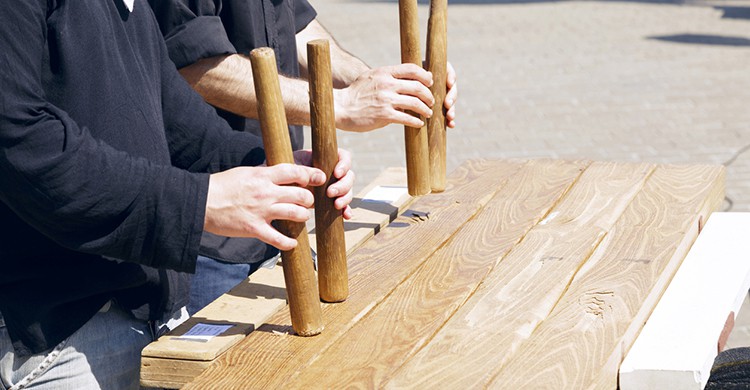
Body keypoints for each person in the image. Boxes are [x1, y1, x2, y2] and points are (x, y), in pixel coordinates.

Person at [0, 0, 353, 388]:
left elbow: (182, 125)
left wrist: (276, 170)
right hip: (58, 330)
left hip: (146, 307)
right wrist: (199, 202)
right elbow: (20, 140)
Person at [148, 0, 459, 314]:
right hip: (212, 234)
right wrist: (338, 104)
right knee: (232, 361)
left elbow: (295, 27)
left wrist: (380, 86)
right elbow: (193, 66)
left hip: (284, 203)